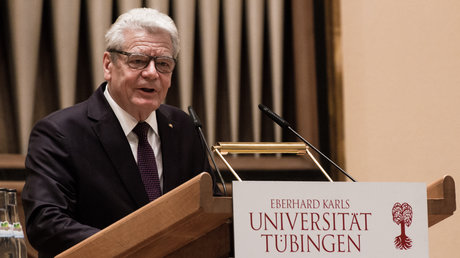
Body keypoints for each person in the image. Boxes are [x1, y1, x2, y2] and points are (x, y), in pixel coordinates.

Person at [22, 8, 213, 257]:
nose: (152, 73)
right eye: (138, 60)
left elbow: (209, 209)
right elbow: (46, 225)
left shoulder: (184, 127)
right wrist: (136, 245)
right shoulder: (60, 132)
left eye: (163, 64)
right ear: (108, 64)